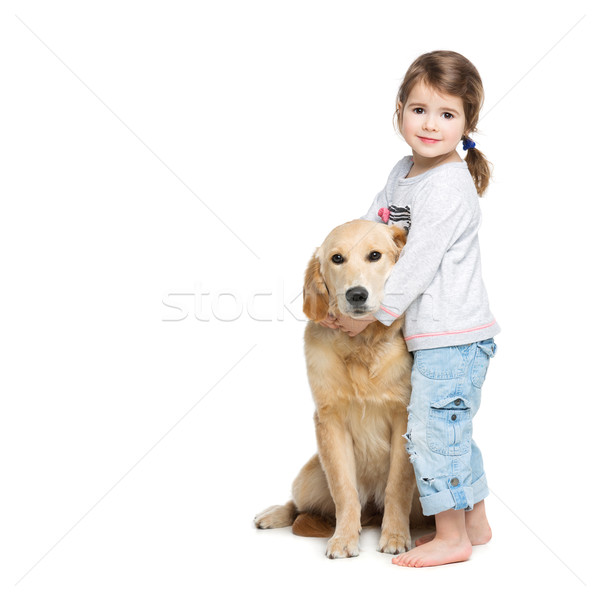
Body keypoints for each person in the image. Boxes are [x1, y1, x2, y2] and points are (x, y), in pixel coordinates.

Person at [320, 50, 500, 567]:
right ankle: (477, 521)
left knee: (430, 431)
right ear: (399, 110)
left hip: (453, 336)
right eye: (419, 109)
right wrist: (343, 287)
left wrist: (369, 316)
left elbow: (416, 266)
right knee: (452, 427)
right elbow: (368, 227)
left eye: (447, 115)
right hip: (432, 336)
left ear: (466, 125)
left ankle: (452, 537)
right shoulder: (404, 172)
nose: (430, 124)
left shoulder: (447, 185)